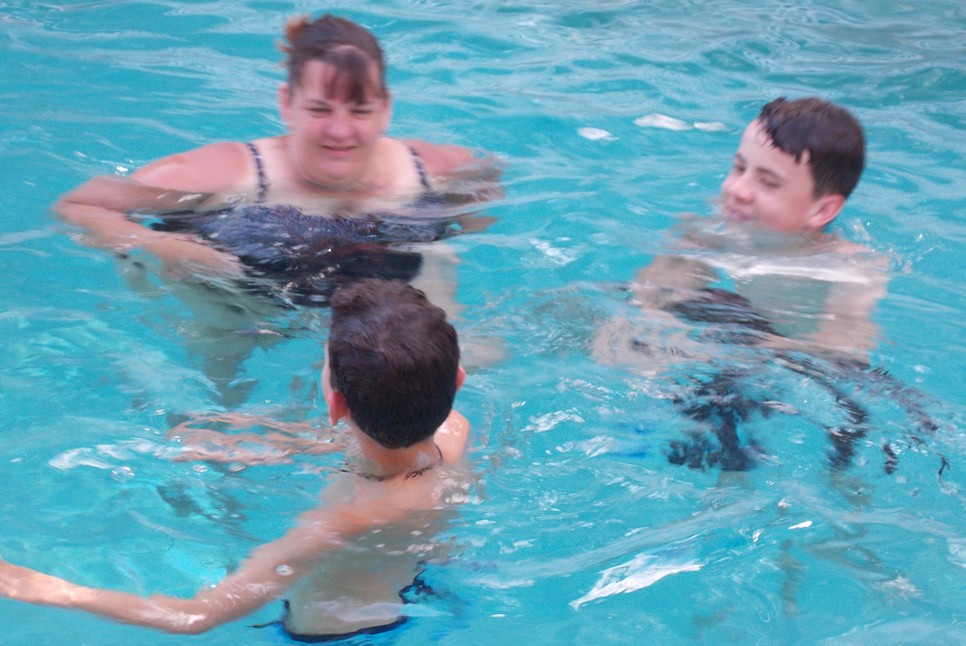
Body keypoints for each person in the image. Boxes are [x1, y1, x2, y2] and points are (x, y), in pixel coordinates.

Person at [54, 13, 501, 403]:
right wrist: (164, 247)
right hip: (243, 304)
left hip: (376, 298)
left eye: (360, 110)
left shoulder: (437, 169)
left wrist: (458, 248)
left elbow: (486, 194)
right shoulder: (226, 173)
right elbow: (80, 205)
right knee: (213, 400)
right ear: (286, 103)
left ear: (385, 108)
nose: (340, 130)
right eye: (320, 109)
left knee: (455, 362)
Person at [0, 279, 471, 639]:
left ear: (335, 406)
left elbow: (194, 616)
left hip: (339, 634)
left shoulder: (341, 519)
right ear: (457, 380)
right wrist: (280, 443)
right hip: (418, 587)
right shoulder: (454, 431)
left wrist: (42, 588)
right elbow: (386, 447)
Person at [595, 97, 899, 470]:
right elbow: (646, 302)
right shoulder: (708, 233)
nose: (738, 189)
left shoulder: (850, 267)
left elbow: (843, 351)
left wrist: (744, 348)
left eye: (767, 182)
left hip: (782, 380)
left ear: (821, 210)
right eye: (739, 168)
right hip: (720, 358)